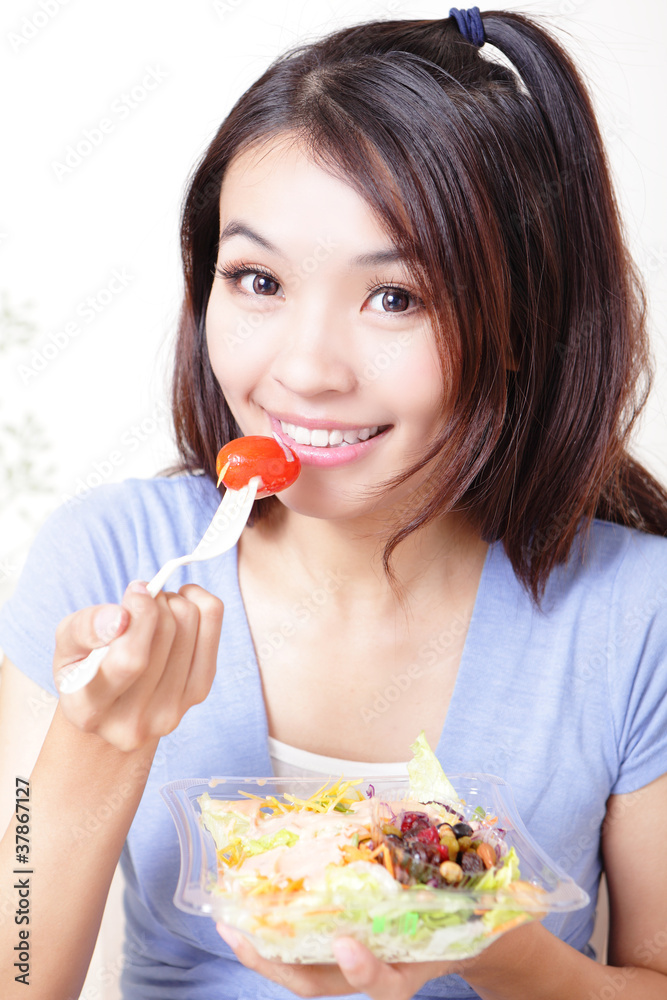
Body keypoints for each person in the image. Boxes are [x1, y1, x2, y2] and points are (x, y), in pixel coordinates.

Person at [1, 7, 666, 999]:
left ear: (525, 320)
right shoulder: (105, 555)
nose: (302, 371)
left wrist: (483, 931)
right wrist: (100, 742)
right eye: (257, 279)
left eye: (395, 297)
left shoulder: (635, 612)